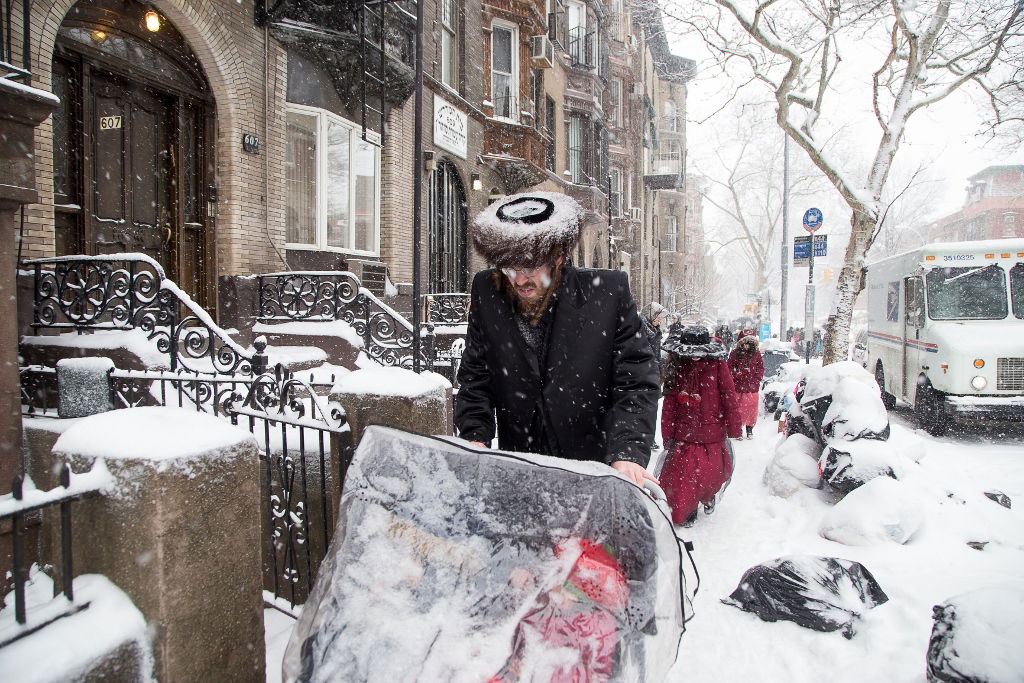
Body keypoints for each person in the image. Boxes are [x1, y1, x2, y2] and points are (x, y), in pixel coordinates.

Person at [455, 191, 660, 487]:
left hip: (591, 471)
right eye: (509, 268)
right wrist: (475, 438)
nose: (518, 280)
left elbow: (636, 381)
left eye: (529, 268)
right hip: (520, 468)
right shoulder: (488, 292)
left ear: (559, 257)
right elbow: (476, 379)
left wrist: (627, 451)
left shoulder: (607, 293)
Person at [659, 324, 741, 526]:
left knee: (712, 473)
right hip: (684, 433)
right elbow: (669, 405)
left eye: (699, 352)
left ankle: (708, 495)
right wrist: (667, 433)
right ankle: (688, 510)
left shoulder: (719, 367)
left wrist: (734, 426)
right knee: (683, 479)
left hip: (712, 431)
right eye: (691, 352)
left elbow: (729, 396)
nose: (694, 356)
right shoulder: (677, 367)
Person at [728, 331, 765, 439]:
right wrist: (736, 375)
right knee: (737, 409)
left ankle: (749, 429)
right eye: (744, 343)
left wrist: (756, 378)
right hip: (738, 387)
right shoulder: (734, 353)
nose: (746, 346)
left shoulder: (756, 354)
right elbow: (729, 368)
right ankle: (738, 429)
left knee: (751, 409)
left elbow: (760, 368)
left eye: (749, 343)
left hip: (751, 388)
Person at [640, 302, 666, 370]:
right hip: (644, 372)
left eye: (660, 318)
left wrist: (659, 369)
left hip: (653, 371)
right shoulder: (640, 329)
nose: (659, 320)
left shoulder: (656, 331)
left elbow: (657, 354)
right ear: (650, 315)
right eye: (658, 317)